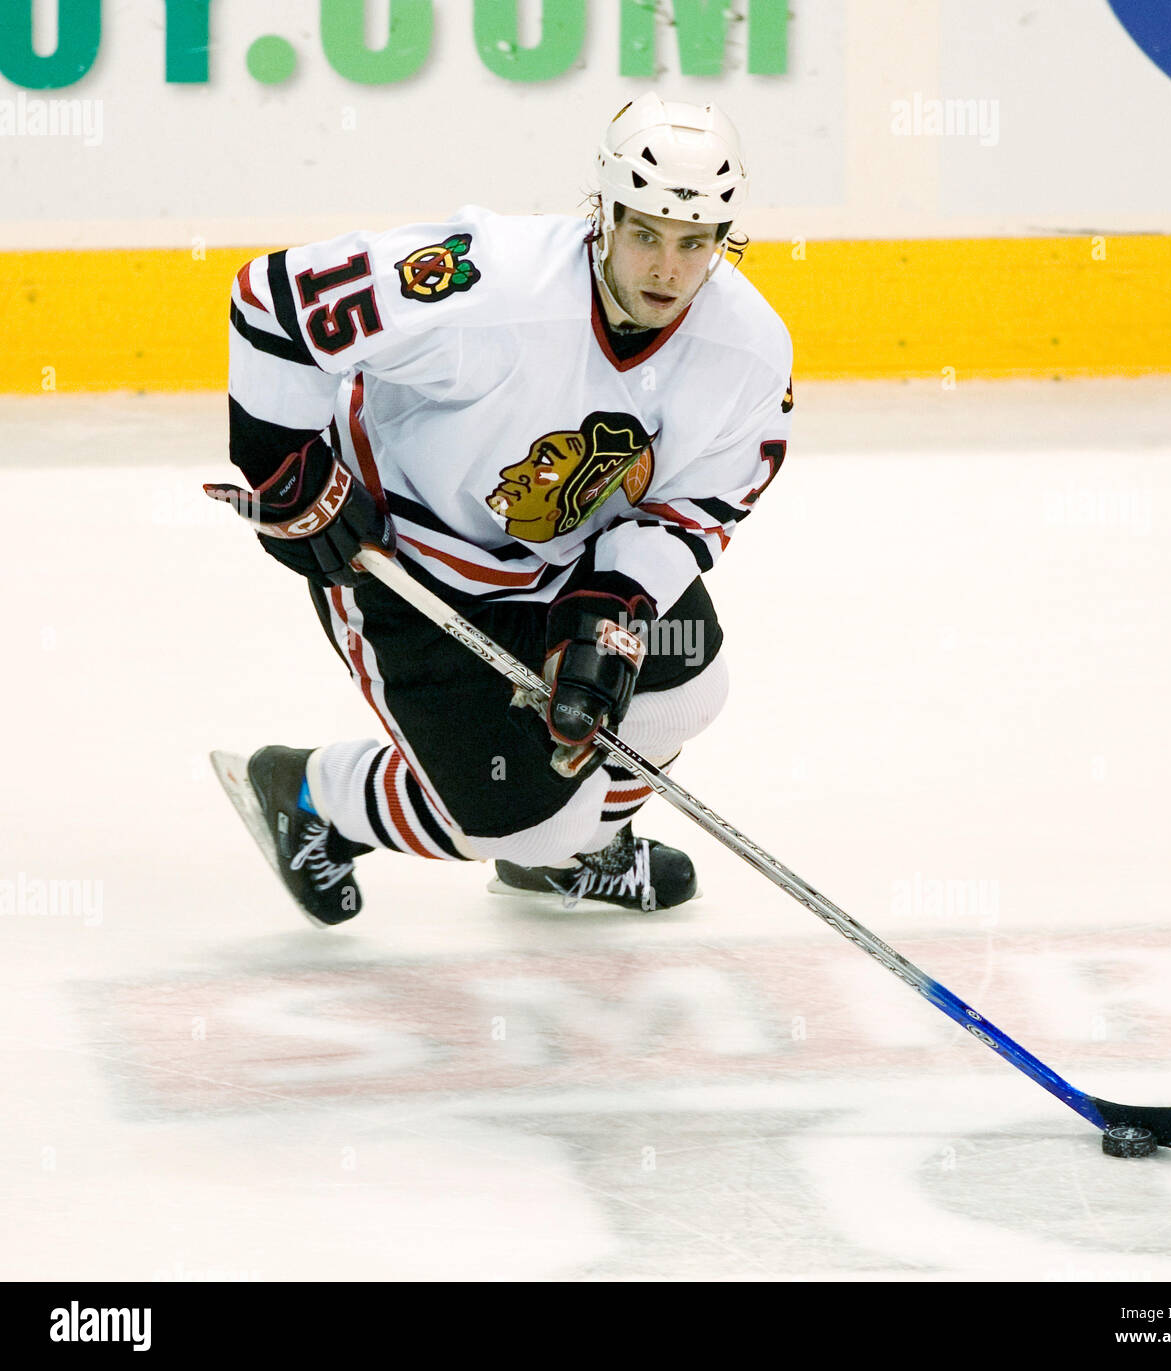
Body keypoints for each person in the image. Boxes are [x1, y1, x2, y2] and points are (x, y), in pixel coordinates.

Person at [206, 93, 794, 926]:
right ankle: (310, 794)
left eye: (694, 243)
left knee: (690, 684)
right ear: (604, 214)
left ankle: (574, 856)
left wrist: (612, 606)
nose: (667, 269)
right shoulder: (488, 284)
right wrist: (285, 468)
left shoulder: (749, 350)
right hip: (402, 561)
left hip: (565, 564)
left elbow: (703, 500)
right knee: (529, 822)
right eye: (646, 234)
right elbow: (275, 301)